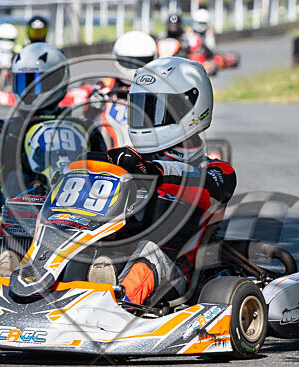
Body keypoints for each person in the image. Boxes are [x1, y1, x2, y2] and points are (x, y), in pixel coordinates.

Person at [88, 57, 236, 306]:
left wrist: (152, 171)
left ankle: (112, 304)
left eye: (155, 109)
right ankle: (42, 290)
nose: (145, 118)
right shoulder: (132, 161)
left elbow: (196, 186)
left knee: (149, 252)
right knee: (87, 242)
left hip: (176, 270)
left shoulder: (216, 172)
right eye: (141, 109)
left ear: (189, 108)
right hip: (115, 256)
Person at [0, 43, 108, 201]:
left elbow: (104, 171)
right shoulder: (5, 128)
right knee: (16, 177)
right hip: (26, 208)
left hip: (78, 201)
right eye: (23, 83)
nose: (28, 92)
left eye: (35, 84)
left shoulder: (84, 127)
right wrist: (16, 146)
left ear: (56, 81)